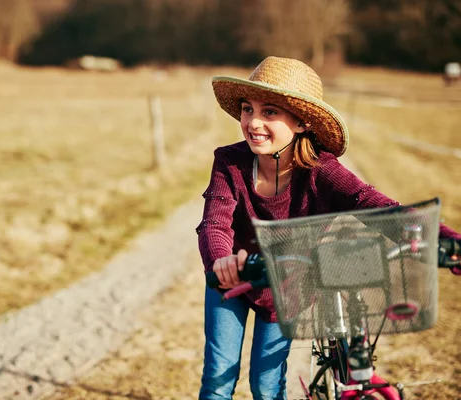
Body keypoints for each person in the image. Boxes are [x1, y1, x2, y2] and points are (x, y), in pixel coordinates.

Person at [195, 56, 461, 400]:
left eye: (270, 112)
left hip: (287, 288)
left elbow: (375, 205)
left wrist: (446, 239)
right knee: (218, 377)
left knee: (266, 383)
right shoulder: (229, 161)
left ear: (302, 122)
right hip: (232, 279)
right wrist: (221, 261)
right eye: (248, 109)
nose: (253, 122)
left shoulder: (322, 171)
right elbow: (214, 221)